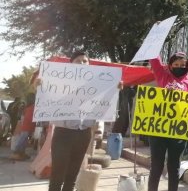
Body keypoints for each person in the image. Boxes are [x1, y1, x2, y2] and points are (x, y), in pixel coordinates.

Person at [48, 51, 122, 191]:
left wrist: (115, 89)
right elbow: (45, 95)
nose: (82, 63)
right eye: (78, 61)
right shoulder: (59, 81)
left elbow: (103, 105)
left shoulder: (97, 85)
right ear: (71, 64)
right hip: (63, 133)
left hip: (83, 134)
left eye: (85, 61)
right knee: (57, 174)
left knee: (73, 175)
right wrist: (39, 85)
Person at [148, 52, 188, 191]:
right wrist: (155, 39)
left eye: (183, 65)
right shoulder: (163, 77)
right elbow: (155, 60)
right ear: (170, 65)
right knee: (156, 166)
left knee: (174, 167)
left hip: (178, 133)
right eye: (176, 65)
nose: (179, 67)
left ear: (187, 67)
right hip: (159, 131)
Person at [10, 92, 36, 160]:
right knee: (22, 139)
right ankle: (16, 152)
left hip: (27, 125)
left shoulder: (27, 106)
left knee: (24, 140)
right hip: (27, 125)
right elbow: (29, 117)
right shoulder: (32, 107)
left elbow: (23, 116)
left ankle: (21, 153)